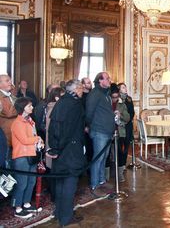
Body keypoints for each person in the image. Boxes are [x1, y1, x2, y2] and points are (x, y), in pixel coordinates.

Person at [48, 80, 86, 226]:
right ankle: (66, 217)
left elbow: (54, 127)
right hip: (70, 150)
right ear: (76, 89)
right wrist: (58, 148)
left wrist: (54, 147)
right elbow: (67, 130)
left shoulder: (62, 101)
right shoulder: (75, 104)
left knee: (60, 183)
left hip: (60, 149)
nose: (82, 91)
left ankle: (59, 213)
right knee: (70, 183)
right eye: (81, 88)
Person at [10, 97, 44, 218]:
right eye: (29, 106)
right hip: (21, 156)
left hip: (32, 154)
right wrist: (38, 139)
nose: (32, 107)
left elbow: (34, 136)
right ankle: (18, 208)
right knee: (22, 183)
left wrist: (40, 142)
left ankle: (26, 204)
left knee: (31, 181)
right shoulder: (17, 123)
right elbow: (24, 140)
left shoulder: (30, 121)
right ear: (23, 108)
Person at [86, 72, 115, 197]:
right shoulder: (95, 94)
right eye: (107, 78)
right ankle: (94, 184)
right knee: (98, 158)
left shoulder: (106, 94)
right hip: (99, 131)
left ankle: (102, 180)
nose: (109, 80)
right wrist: (89, 126)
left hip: (107, 131)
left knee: (104, 158)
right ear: (100, 81)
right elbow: (89, 112)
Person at [110, 84, 130, 182]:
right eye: (113, 97)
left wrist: (120, 114)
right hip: (108, 132)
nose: (115, 99)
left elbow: (127, 118)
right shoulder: (106, 104)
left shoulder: (122, 105)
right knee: (108, 155)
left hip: (120, 132)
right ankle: (107, 175)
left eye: (116, 97)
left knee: (120, 154)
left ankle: (120, 174)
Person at [0, 74, 18, 168]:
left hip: (15, 136)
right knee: (6, 167)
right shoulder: (1, 97)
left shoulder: (11, 96)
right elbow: (9, 113)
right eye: (7, 81)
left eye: (10, 80)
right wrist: (19, 107)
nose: (10, 83)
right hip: (5, 137)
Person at [118, 83, 135, 173]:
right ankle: (119, 163)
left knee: (126, 145)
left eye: (126, 87)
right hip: (119, 125)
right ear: (119, 89)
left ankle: (123, 164)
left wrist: (128, 120)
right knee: (120, 145)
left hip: (128, 125)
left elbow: (132, 112)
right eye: (123, 87)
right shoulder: (117, 99)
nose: (126, 89)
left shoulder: (129, 99)